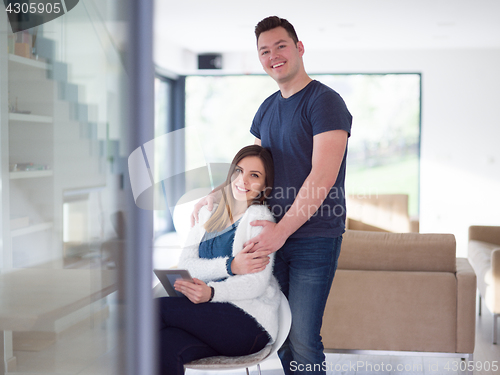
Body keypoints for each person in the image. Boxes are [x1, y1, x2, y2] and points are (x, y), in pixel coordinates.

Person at [191, 16, 352, 375]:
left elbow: (322, 177)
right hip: (271, 234)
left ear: (299, 48)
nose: (273, 55)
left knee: (304, 339)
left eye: (280, 46)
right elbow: (253, 168)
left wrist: (281, 232)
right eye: (264, 51)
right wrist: (217, 195)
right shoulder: (267, 108)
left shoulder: (325, 102)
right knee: (279, 332)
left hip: (314, 237)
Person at [156, 145, 281, 375]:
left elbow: (255, 283)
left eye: (254, 175)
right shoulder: (208, 213)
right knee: (164, 345)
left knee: (154, 310)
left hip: (249, 324)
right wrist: (230, 266)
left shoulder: (259, 219)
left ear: (265, 185)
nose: (242, 180)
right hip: (209, 319)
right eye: (238, 171)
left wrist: (211, 292)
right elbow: (186, 265)